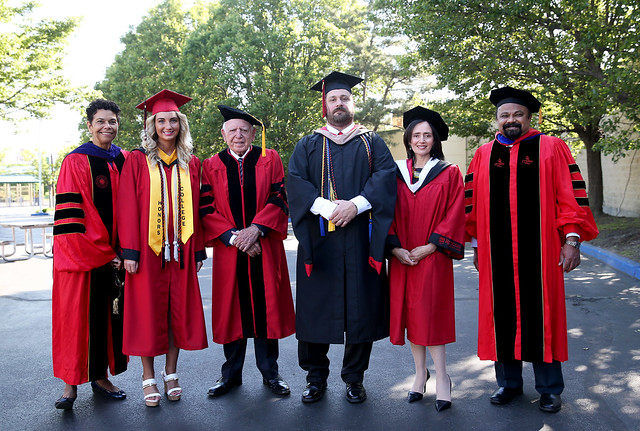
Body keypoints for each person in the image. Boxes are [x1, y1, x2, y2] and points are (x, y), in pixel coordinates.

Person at [464, 86, 598, 413]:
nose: (511, 120)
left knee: (543, 316)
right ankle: (508, 384)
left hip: (541, 254)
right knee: (502, 317)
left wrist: (571, 241)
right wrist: (479, 248)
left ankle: (550, 389)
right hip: (497, 256)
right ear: (496, 119)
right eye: (504, 115)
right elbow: (474, 208)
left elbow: (570, 197)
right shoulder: (484, 154)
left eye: (517, 114)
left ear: (529, 117)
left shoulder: (551, 147)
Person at [288, 71, 397, 403]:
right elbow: (294, 181)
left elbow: (386, 177)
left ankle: (354, 378)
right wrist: (325, 207)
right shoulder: (309, 143)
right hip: (321, 241)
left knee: (360, 309)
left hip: (360, 238)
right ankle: (315, 377)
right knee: (316, 309)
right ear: (325, 104)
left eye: (344, 98)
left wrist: (356, 205)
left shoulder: (371, 142)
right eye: (333, 99)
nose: (339, 103)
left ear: (353, 102)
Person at [117, 89, 208, 407]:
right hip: (146, 253)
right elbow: (127, 206)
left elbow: (197, 209)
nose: (167, 126)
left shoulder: (190, 163)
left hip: (180, 253)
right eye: (161, 120)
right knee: (147, 314)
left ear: (180, 124)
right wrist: (129, 251)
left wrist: (197, 250)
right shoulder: (136, 161)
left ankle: (171, 373)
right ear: (152, 125)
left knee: (176, 314)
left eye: (173, 120)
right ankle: (148, 376)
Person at [200, 105, 295, 398]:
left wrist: (256, 230)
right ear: (223, 134)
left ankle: (271, 375)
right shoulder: (210, 165)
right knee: (233, 312)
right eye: (233, 130)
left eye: (244, 130)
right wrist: (233, 238)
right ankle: (230, 376)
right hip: (231, 252)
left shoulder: (270, 159)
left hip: (264, 246)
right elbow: (206, 207)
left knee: (266, 310)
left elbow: (279, 196)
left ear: (253, 133)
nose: (238, 135)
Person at [387, 106, 465, 411]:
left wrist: (431, 246)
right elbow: (384, 213)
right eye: (416, 135)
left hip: (432, 257)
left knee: (430, 316)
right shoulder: (394, 172)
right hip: (402, 256)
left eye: (427, 135)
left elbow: (455, 213)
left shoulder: (449, 172)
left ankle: (443, 377)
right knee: (410, 316)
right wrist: (394, 248)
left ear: (434, 140)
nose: (421, 140)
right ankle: (420, 375)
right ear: (408, 139)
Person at [52, 99, 128, 410]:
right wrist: (106, 252)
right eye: (101, 121)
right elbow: (73, 217)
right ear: (89, 126)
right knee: (75, 321)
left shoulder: (122, 159)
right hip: (83, 259)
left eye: (112, 121)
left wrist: (125, 249)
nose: (107, 126)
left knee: (108, 320)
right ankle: (70, 385)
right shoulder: (76, 161)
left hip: (116, 259)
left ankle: (100, 377)